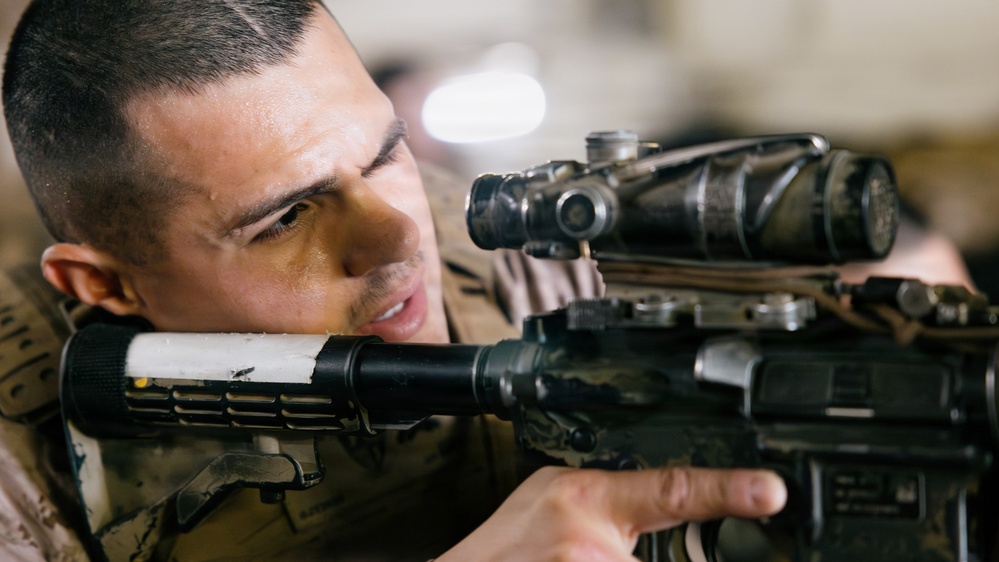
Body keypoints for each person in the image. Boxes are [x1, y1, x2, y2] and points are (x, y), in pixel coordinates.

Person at [2, 1, 786, 560]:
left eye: (385, 154)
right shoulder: (15, 453)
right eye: (286, 219)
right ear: (105, 286)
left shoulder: (533, 262)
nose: (400, 236)